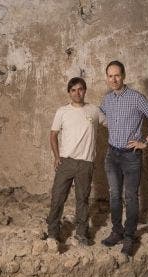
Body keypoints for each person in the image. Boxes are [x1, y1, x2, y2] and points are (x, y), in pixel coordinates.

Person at [100, 60, 148, 255]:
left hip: (131, 156)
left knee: (130, 197)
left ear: (124, 75)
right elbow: (101, 118)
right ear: (107, 78)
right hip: (112, 154)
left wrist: (146, 142)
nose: (114, 79)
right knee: (114, 195)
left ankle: (129, 237)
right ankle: (116, 231)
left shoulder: (137, 98)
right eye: (110, 76)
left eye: (117, 75)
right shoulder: (107, 99)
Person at [47, 77, 106, 245]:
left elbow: (112, 124)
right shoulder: (62, 111)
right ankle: (52, 233)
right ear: (69, 92)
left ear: (85, 90)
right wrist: (57, 157)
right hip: (66, 162)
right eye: (73, 90)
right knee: (58, 197)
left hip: (86, 163)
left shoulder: (94, 110)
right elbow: (53, 135)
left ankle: (81, 233)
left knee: (83, 199)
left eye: (80, 89)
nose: (77, 93)